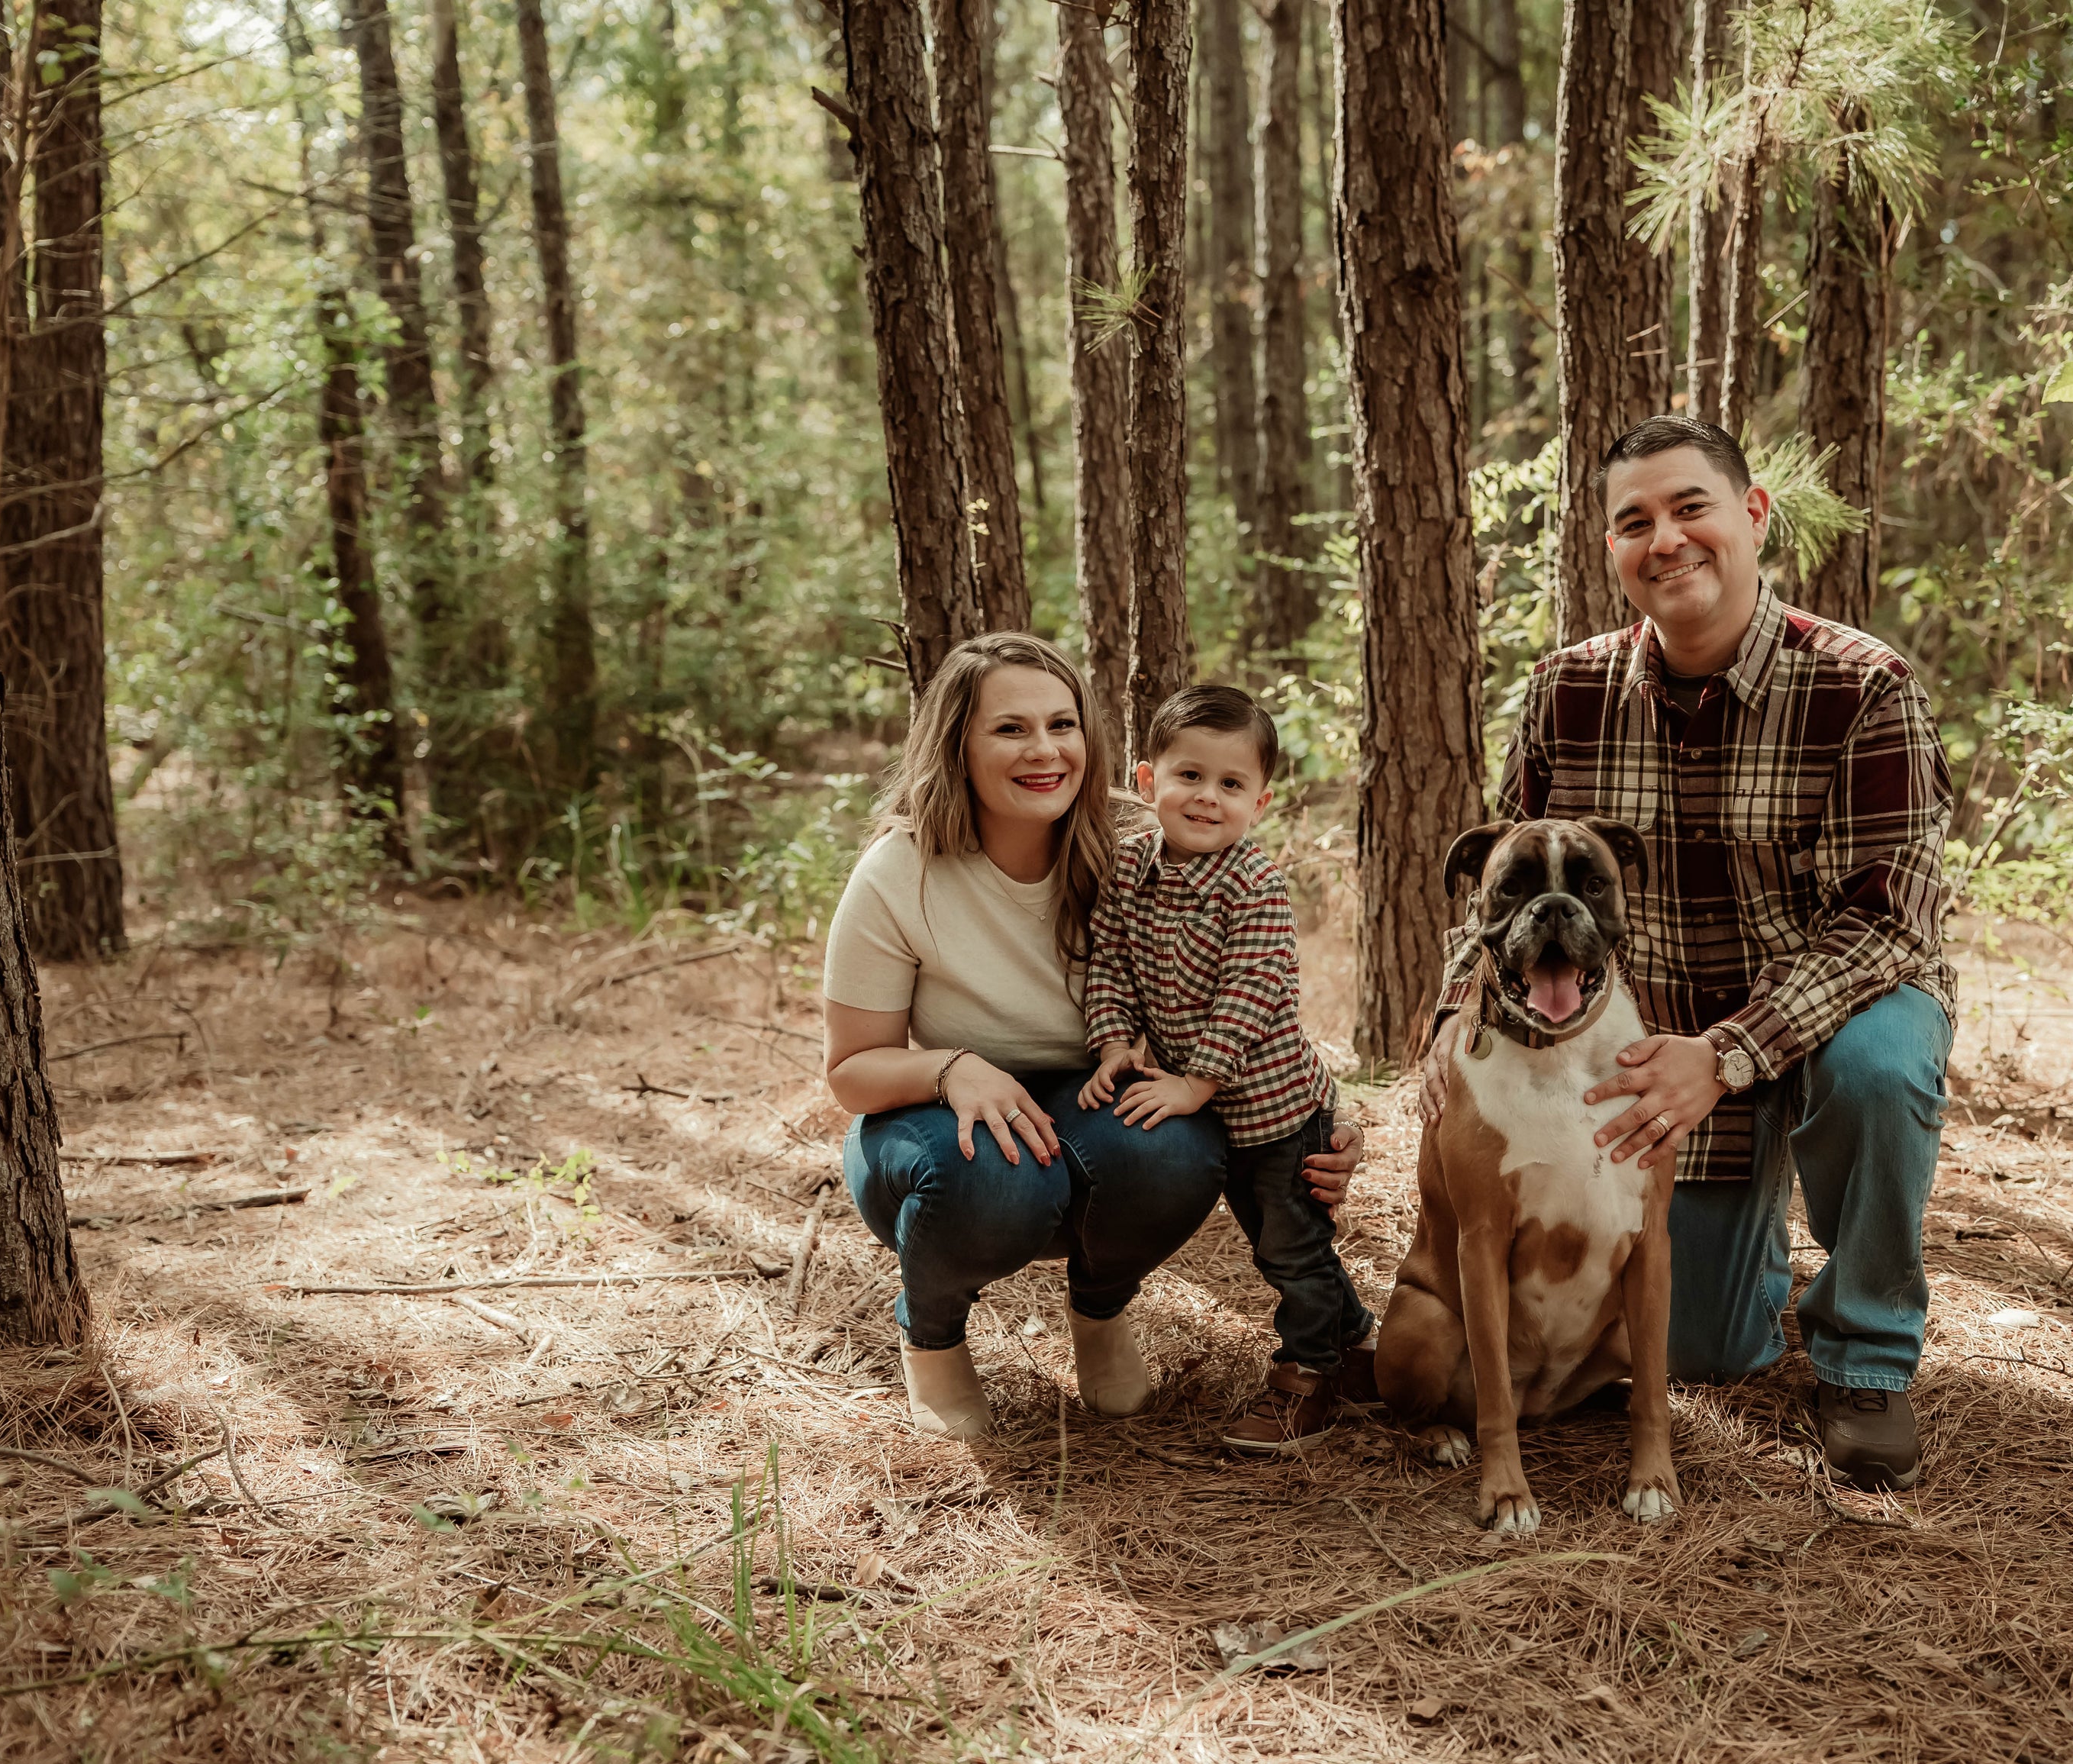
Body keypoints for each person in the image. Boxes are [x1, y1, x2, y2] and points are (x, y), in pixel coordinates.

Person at [1428, 415, 1957, 1490]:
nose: (1665, 540)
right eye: (1635, 523)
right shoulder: (1566, 690)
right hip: (1643, 1054)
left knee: (1883, 1062)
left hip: (1817, 1020)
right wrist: (1452, 1015)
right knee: (1703, 1352)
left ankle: (1864, 1359)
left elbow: (1887, 924)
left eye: (1689, 509)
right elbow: (1515, 890)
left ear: (1753, 516)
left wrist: (1725, 1053)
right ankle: (1751, 1261)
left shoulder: (1862, 686)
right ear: (1613, 551)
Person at [821, 634, 1362, 1438]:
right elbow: (852, 1072)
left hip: (1086, 1104)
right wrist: (952, 1070)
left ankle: (1101, 1312)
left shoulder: (1140, 841)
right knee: (995, 1174)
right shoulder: (900, 870)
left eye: (1062, 724)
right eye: (1010, 729)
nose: (1044, 750)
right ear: (957, 743)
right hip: (931, 1122)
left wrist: (1330, 1115)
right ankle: (931, 1336)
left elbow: (1250, 982)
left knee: (1173, 1145)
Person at [1079, 685, 1378, 1456]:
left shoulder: (1254, 886)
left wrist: (1195, 1082)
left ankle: (1309, 1374)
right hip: (1216, 1113)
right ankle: (1356, 1344)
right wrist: (1115, 1043)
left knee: (1291, 1246)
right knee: (1276, 1240)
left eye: (1231, 784)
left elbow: (1252, 994)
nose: (1208, 798)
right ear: (1148, 783)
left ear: (1260, 802)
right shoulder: (1128, 870)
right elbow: (1108, 964)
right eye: (1190, 777)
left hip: (1278, 1109)